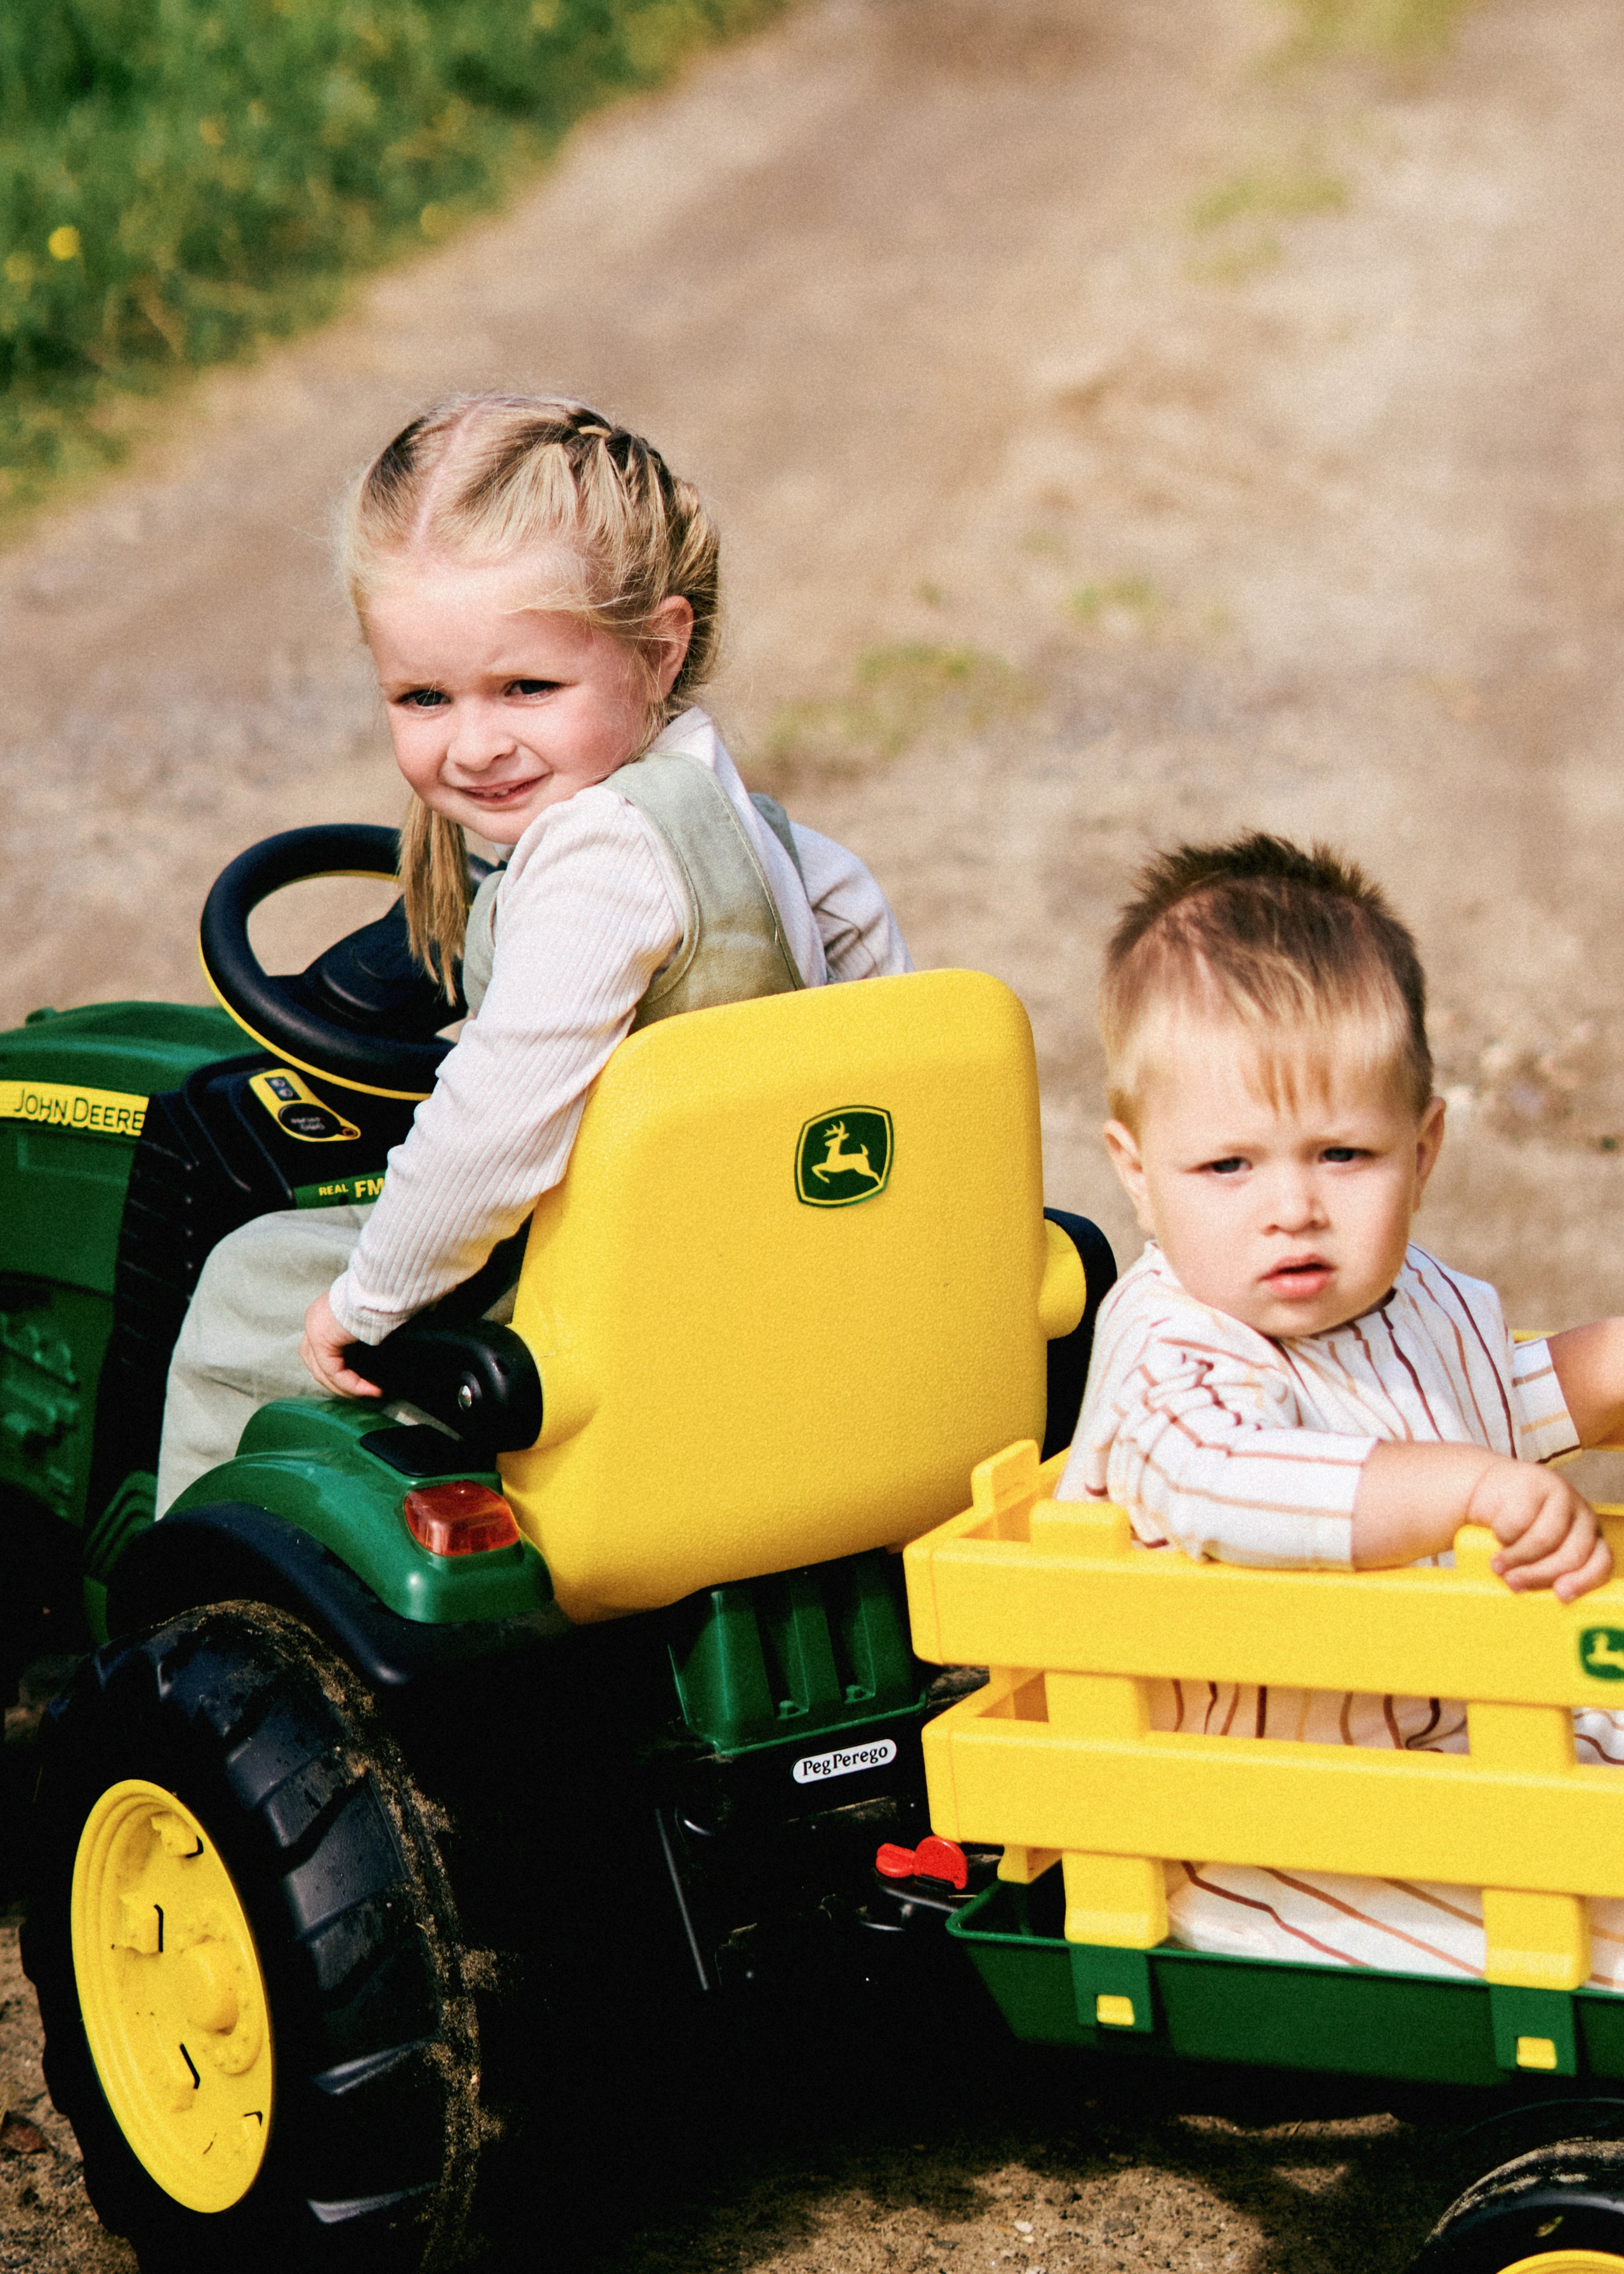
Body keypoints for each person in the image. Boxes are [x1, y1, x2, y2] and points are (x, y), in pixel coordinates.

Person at [157, 394, 910, 1509]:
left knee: (246, 1286)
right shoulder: (749, 826)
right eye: (424, 697)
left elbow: (494, 1124)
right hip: (741, 1254)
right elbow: (877, 984)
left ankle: (192, 1579)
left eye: (527, 688)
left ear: (660, 648)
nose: (474, 745)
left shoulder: (596, 854)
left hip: (607, 1284)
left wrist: (369, 1299)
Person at [1061, 831, 1624, 1985]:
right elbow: (1229, 1485)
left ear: (1423, 1149)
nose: (1293, 1209)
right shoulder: (1171, 1355)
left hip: (1477, 1733)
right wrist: (1472, 1490)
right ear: (1137, 1169)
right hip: (1289, 1830)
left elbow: (1473, 1407)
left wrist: (1604, 1370)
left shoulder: (1407, 1293)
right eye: (1229, 1167)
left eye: (1344, 1155)